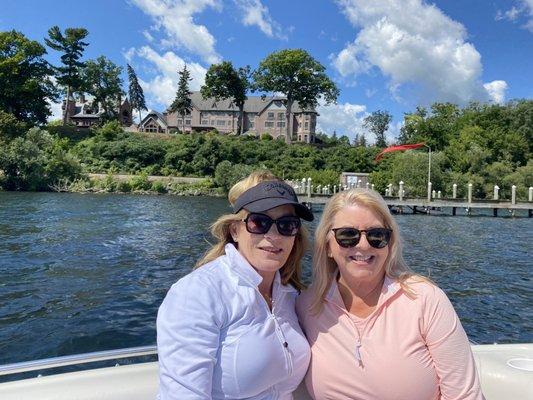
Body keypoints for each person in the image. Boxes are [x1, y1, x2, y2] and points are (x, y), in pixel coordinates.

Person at [296, 188, 484, 400]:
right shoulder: (307, 306)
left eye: (377, 235)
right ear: (328, 245)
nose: (364, 245)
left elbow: (465, 395)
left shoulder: (424, 300)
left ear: (389, 242)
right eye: (347, 235)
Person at [157, 170, 313, 400]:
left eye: (287, 224)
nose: (274, 235)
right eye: (259, 222)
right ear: (235, 230)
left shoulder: (290, 294)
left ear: (295, 234)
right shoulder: (199, 293)